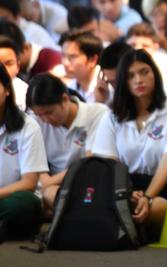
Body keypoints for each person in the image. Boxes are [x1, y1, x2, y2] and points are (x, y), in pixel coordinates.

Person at [92, 49, 167, 230]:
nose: (138, 80)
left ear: (155, 74)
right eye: (130, 76)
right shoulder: (111, 117)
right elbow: (109, 164)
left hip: (163, 185)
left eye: (144, 72)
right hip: (123, 187)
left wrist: (147, 197)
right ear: (122, 82)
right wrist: (128, 191)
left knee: (158, 206)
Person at [26, 74, 109, 212]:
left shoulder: (97, 114)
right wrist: (46, 181)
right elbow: (31, 161)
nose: (45, 119)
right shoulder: (35, 120)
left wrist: (49, 182)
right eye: (40, 115)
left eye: (49, 112)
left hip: (87, 181)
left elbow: (90, 162)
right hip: (52, 188)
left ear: (65, 99)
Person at [0, 63, 48, 240]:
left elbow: (28, 183)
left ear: (6, 89)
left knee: (24, 205)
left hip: (13, 197)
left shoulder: (27, 126)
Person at [60, 30, 103, 103]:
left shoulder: (108, 86)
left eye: (72, 57)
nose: (65, 63)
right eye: (63, 56)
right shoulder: (70, 87)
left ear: (92, 60)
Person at [93, 41, 131, 105]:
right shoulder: (111, 105)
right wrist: (101, 102)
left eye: (120, 80)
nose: (119, 87)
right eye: (112, 82)